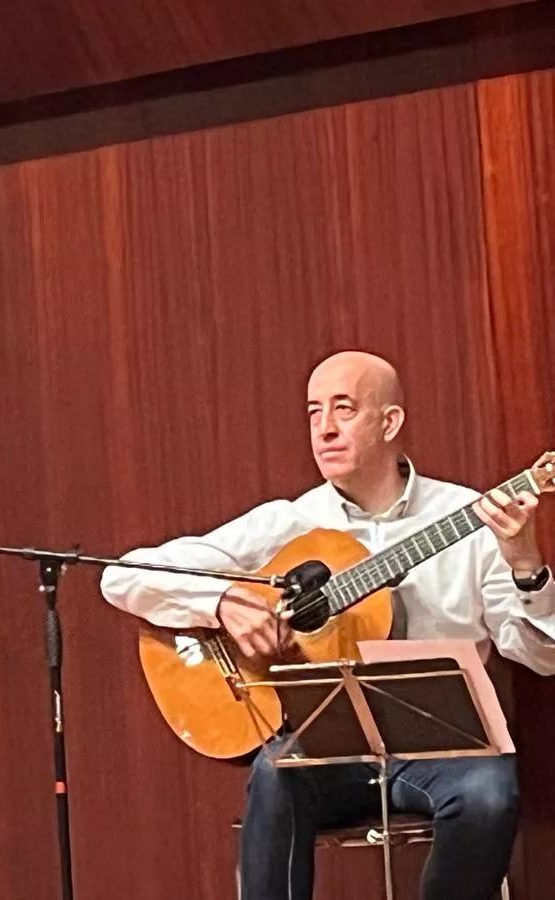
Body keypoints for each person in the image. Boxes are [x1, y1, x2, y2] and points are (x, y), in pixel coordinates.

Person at [100, 350, 553, 900]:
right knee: (277, 771)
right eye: (314, 412)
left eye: (344, 409)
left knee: (489, 792)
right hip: (330, 748)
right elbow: (122, 577)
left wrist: (526, 566)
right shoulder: (291, 522)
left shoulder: (473, 519)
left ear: (390, 423)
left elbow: (540, 657)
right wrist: (220, 601)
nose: (325, 429)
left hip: (446, 752)